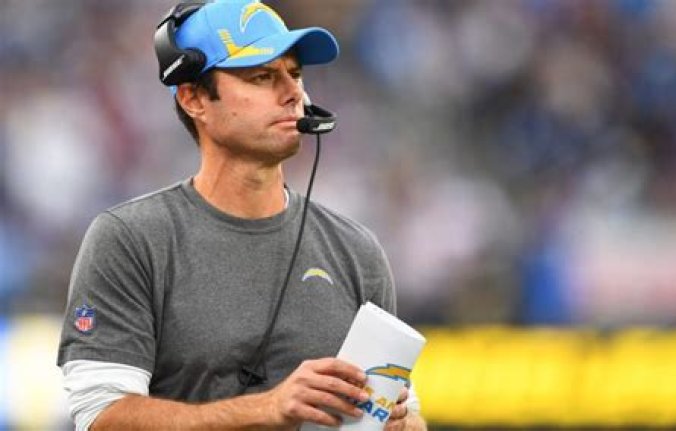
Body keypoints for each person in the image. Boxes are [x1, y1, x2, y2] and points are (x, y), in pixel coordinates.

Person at [56, 0, 426, 430]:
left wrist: (400, 423)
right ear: (194, 98)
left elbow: (406, 411)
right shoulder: (131, 241)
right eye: (262, 77)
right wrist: (266, 409)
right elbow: (101, 418)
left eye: (295, 74)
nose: (293, 93)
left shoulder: (356, 251)